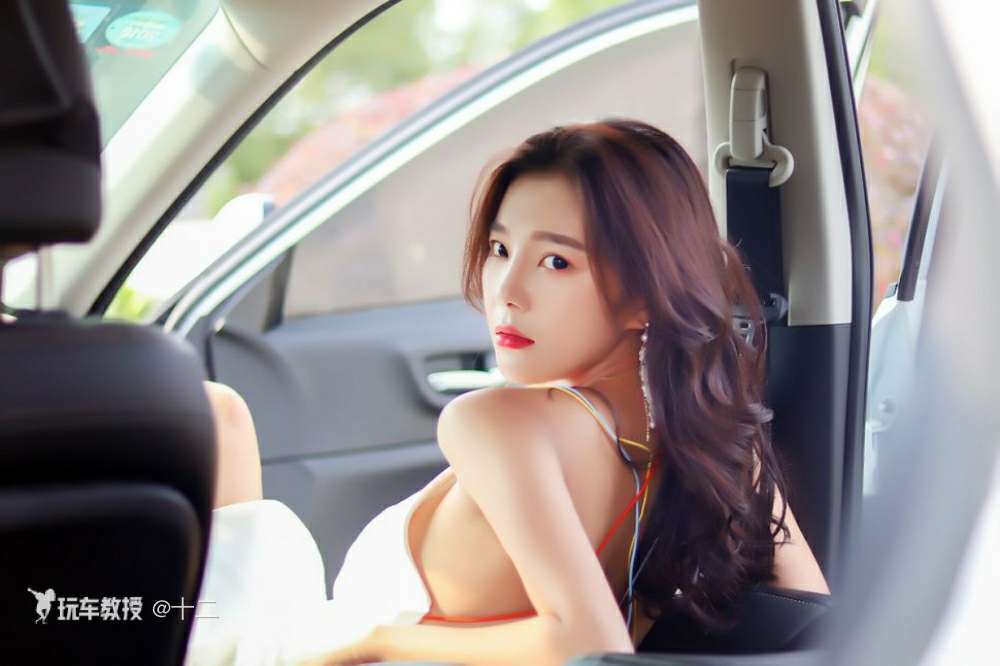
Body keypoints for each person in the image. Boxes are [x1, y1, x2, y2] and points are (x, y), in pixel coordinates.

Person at [184, 118, 830, 666]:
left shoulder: (499, 423)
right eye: (499, 247)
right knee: (222, 416)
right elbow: (810, 617)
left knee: (211, 418)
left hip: (309, 652)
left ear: (644, 295)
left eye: (556, 261)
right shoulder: (714, 441)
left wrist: (377, 638)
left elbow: (590, 645)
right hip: (311, 631)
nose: (507, 291)